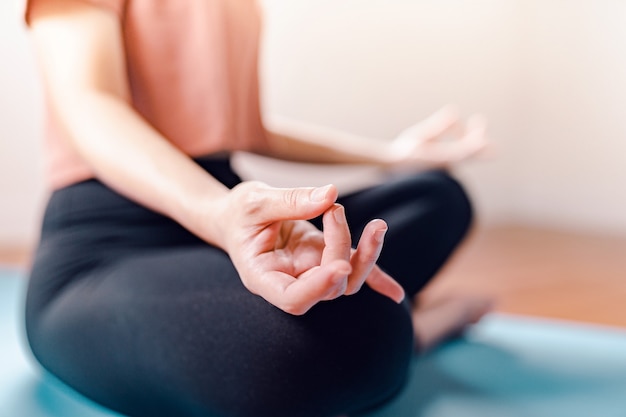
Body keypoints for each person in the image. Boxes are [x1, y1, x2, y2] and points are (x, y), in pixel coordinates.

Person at [23, 1, 492, 416]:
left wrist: (391, 154)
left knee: (434, 196)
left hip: (228, 222)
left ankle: (374, 311)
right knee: (344, 336)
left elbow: (247, 131)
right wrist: (217, 213)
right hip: (112, 246)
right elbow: (90, 103)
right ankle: (422, 323)